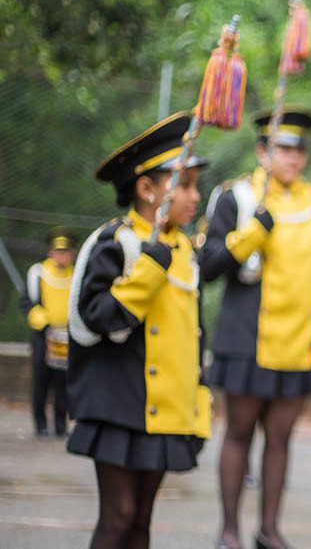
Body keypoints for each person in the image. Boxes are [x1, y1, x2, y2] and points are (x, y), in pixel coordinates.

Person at [66, 111, 211, 549]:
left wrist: (197, 405)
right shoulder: (119, 242)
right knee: (118, 517)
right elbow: (96, 318)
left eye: (194, 185)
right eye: (183, 184)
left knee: (142, 521)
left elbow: (192, 334)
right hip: (119, 404)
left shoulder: (183, 246)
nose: (194, 196)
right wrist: (148, 270)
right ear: (147, 189)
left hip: (165, 410)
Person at [202, 108, 311, 549]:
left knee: (280, 440)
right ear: (262, 151)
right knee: (239, 433)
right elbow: (209, 265)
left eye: (300, 150)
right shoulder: (236, 198)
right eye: (284, 149)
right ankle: (228, 530)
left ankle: (269, 530)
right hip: (246, 338)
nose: (294, 159)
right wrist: (250, 236)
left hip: (298, 342)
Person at [21, 226, 75, 438]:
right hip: (43, 336)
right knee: (41, 381)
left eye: (66, 252)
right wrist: (41, 320)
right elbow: (25, 301)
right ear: (51, 253)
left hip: (67, 336)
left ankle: (61, 425)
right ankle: (41, 425)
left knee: (63, 382)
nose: (62, 257)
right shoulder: (38, 272)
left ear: (72, 254)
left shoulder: (76, 273)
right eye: (58, 252)